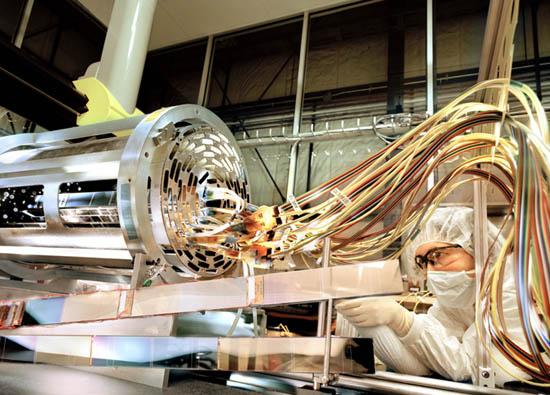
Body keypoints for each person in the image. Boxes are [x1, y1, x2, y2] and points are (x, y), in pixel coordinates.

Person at [335, 206, 531, 386]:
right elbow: (433, 357)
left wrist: (403, 320)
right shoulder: (457, 300)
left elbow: (464, 366)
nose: (429, 272)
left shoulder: (510, 290)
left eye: (437, 256)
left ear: (477, 248)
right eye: (422, 263)